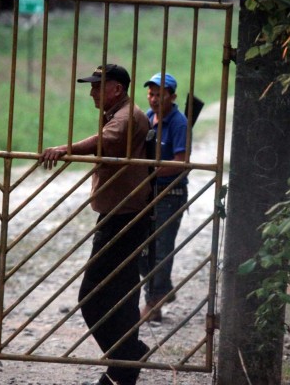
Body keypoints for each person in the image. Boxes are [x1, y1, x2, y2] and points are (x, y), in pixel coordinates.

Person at [39, 64, 151, 385]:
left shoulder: (128, 117)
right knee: (122, 293)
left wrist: (66, 149)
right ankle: (122, 369)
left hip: (124, 216)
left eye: (97, 86)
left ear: (116, 88)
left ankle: (127, 356)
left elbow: (105, 141)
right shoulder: (119, 111)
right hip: (119, 212)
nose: (92, 92)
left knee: (93, 296)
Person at [140, 72, 189, 322]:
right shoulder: (149, 118)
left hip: (171, 193)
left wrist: (150, 170)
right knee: (142, 249)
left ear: (172, 96)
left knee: (160, 249)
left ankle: (153, 302)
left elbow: (181, 163)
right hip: (150, 191)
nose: (154, 99)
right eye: (151, 94)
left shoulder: (179, 122)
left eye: (160, 95)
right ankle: (161, 291)